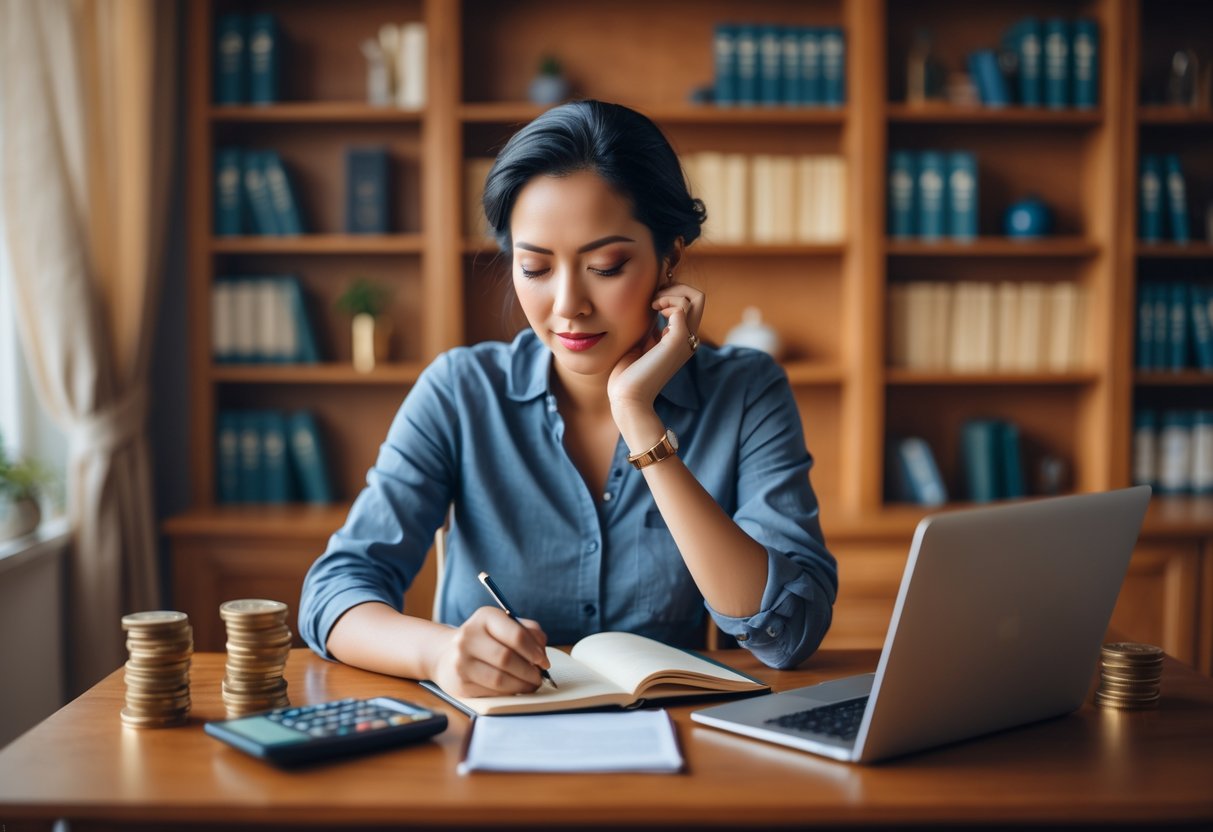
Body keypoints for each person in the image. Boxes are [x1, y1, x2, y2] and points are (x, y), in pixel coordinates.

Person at [299, 100, 837, 698]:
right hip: (487, 738)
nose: (568, 305)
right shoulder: (460, 391)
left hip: (668, 740)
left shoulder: (745, 391)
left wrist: (637, 417)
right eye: (534, 268)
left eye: (606, 266)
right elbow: (334, 592)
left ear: (670, 259)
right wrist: (439, 653)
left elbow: (789, 634)